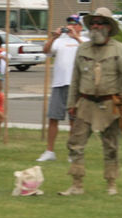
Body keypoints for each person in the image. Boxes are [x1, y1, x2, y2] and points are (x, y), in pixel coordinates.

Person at [59, 7, 122, 196]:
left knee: (111, 145)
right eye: (93, 23)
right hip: (85, 102)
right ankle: (77, 184)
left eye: (100, 23)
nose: (95, 26)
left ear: (108, 27)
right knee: (75, 143)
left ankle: (111, 184)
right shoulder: (83, 48)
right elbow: (75, 78)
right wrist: (71, 103)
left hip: (110, 103)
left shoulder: (120, 49)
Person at [37, 15, 88, 162]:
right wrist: (53, 37)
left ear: (80, 26)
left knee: (74, 120)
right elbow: (45, 51)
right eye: (69, 23)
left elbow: (87, 51)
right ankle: (49, 151)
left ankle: (73, 152)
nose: (71, 26)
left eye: (74, 23)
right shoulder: (59, 41)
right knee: (53, 118)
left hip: (76, 85)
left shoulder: (84, 40)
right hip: (59, 84)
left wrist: (76, 37)